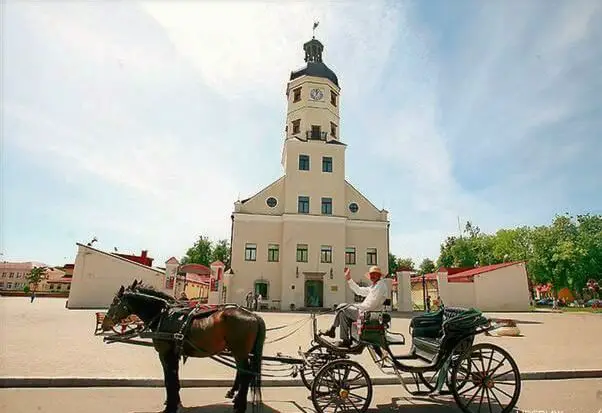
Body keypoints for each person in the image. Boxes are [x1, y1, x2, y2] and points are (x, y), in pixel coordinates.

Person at [320, 266, 389, 347]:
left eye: (374, 274)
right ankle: (345, 340)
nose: (372, 276)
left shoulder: (380, 286)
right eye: (371, 274)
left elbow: (371, 305)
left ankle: (332, 330)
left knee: (342, 307)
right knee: (342, 312)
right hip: (365, 312)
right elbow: (359, 290)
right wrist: (349, 279)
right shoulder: (374, 286)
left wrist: (354, 305)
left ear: (379, 275)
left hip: (368, 314)